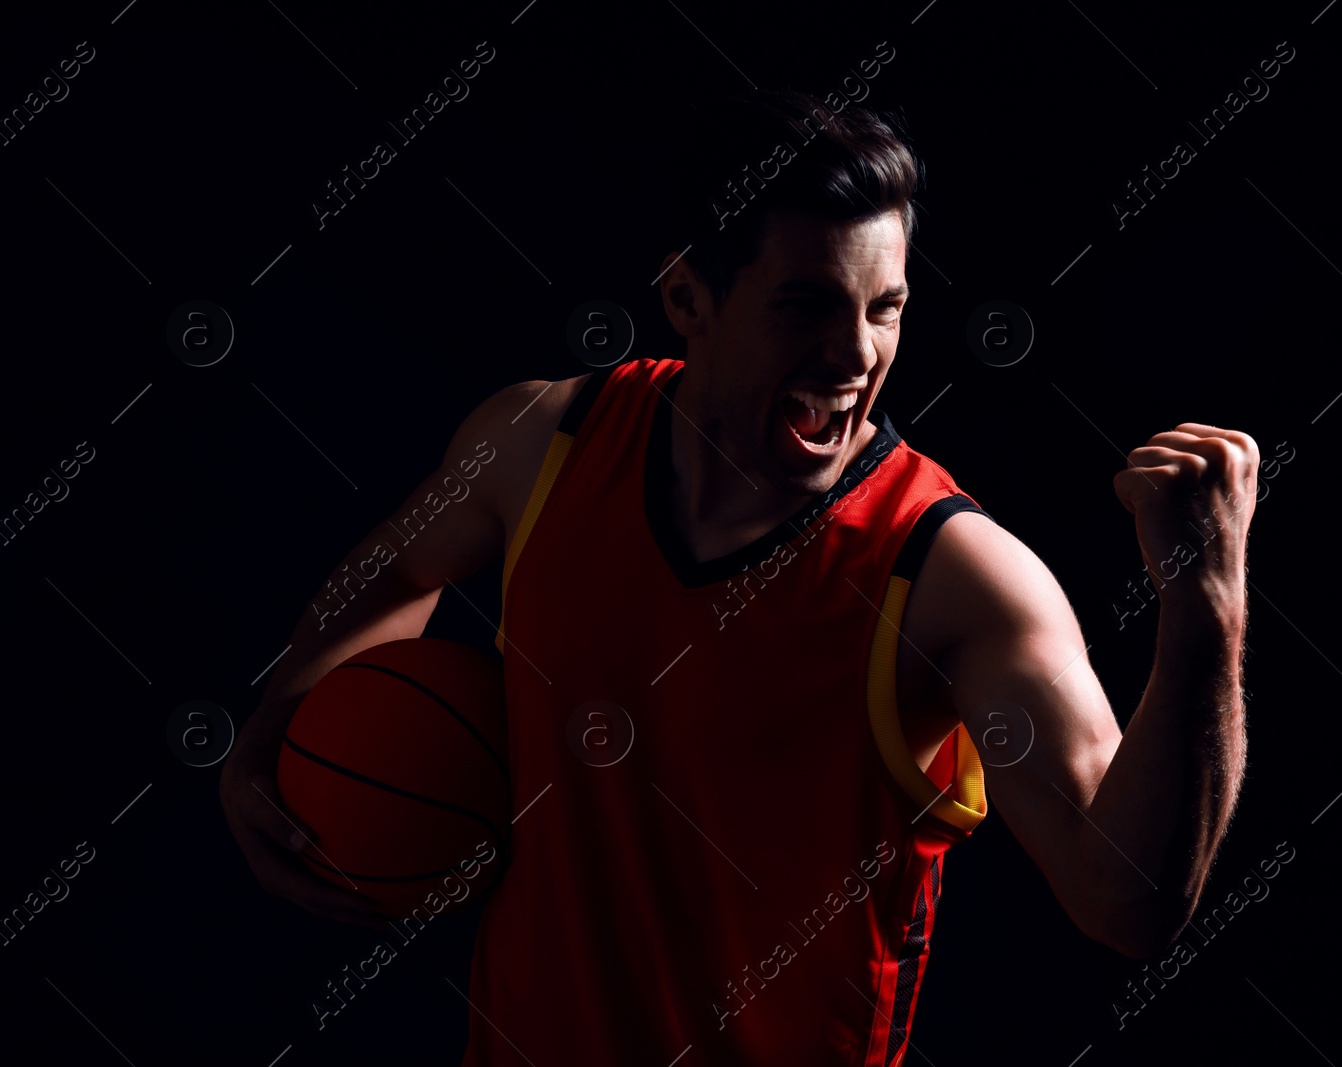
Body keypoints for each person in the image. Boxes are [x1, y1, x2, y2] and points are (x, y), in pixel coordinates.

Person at [221, 88, 1258, 1066]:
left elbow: (1124, 901)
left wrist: (1204, 600)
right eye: (805, 305)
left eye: (885, 306)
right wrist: (267, 749)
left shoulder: (946, 575)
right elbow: (403, 562)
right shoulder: (545, 443)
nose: (855, 351)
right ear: (688, 297)